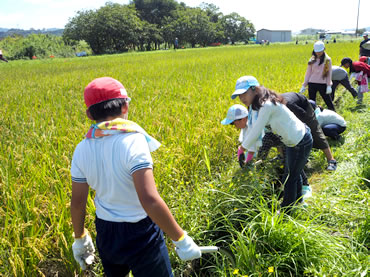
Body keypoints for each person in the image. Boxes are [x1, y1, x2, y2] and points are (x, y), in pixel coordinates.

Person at [70, 77, 201, 276]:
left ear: (89, 113)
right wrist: (180, 239)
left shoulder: (82, 148)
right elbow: (149, 199)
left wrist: (79, 239)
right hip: (141, 232)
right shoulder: (134, 141)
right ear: (125, 107)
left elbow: (78, 202)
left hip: (106, 232)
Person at [231, 76, 313, 211]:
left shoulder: (267, 105)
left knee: (290, 177)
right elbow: (251, 129)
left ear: (255, 89)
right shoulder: (255, 108)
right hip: (292, 142)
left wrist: (242, 148)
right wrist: (246, 153)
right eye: (239, 96)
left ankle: (287, 210)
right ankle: (298, 201)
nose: (242, 98)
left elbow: (256, 130)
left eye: (244, 93)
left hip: (301, 140)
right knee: (292, 173)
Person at [282, 92, 337, 171]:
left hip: (304, 109)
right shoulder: (269, 108)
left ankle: (331, 160)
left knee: (315, 132)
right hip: (292, 110)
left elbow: (303, 115)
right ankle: (294, 160)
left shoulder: (288, 105)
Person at [300, 41, 335, 111]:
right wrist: (304, 85)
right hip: (312, 83)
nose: (318, 53)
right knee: (311, 103)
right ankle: (313, 118)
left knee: (328, 101)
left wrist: (328, 85)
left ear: (324, 49)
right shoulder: (312, 59)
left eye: (320, 51)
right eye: (317, 51)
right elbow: (308, 73)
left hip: (323, 84)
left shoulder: (327, 60)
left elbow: (328, 73)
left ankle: (334, 115)